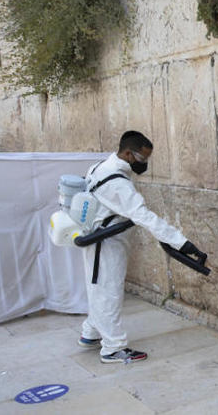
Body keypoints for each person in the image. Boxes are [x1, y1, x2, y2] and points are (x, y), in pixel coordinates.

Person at [78, 130, 192, 363]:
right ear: (128, 153)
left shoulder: (100, 167)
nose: (144, 164)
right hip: (106, 243)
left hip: (97, 237)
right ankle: (113, 348)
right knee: (108, 291)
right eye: (142, 158)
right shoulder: (117, 183)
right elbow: (143, 216)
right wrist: (181, 242)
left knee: (97, 287)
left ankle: (90, 332)